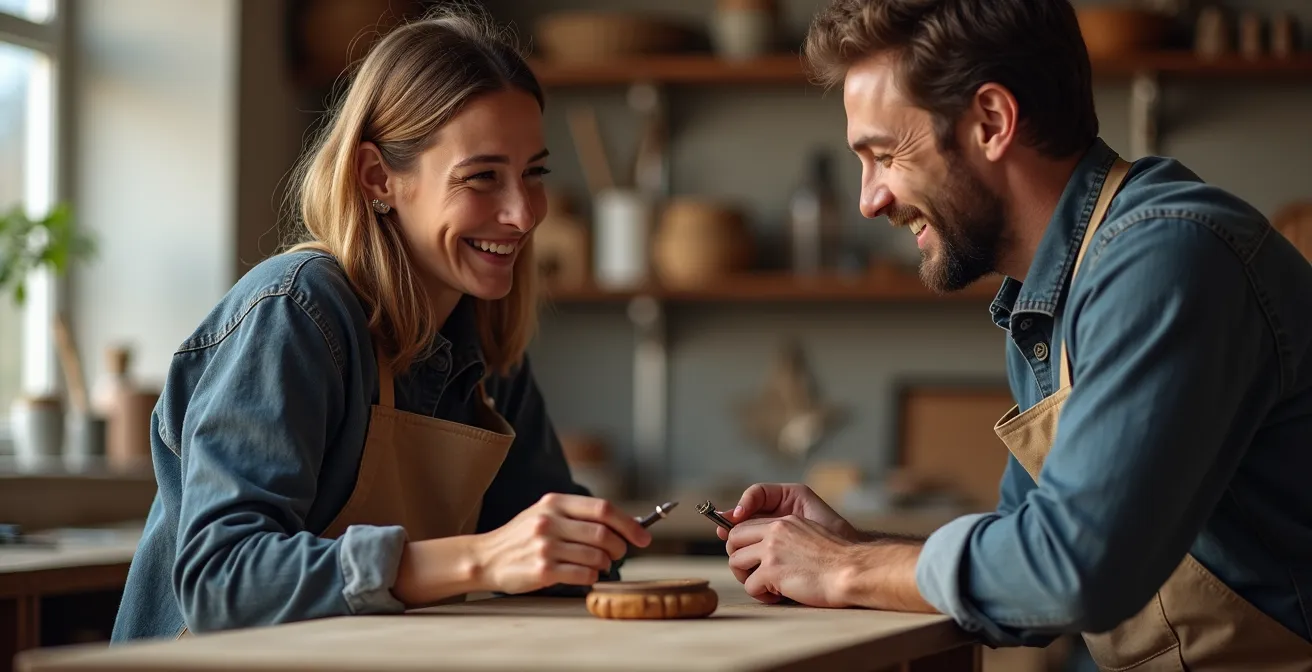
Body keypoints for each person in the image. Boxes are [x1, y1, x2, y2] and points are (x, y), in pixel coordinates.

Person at [720, 0, 1312, 669]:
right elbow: (1023, 557)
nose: (870, 199)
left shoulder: (1167, 257)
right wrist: (851, 543)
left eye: (885, 154)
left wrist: (846, 569)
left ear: (992, 121)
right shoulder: (1046, 301)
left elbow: (1070, 571)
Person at [111, 8, 651, 641]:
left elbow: (548, 557)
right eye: (482, 177)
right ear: (378, 179)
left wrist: (593, 543)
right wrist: (479, 557)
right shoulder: (296, 311)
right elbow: (222, 579)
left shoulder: (486, 346)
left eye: (534, 173)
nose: (523, 213)